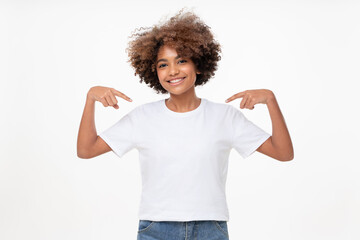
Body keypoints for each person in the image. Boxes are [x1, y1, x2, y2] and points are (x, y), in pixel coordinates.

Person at [77, 9, 294, 240]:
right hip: (155, 229)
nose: (173, 71)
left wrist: (271, 100)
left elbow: (283, 153)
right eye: (163, 64)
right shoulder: (142, 118)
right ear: (154, 71)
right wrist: (90, 99)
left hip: (210, 228)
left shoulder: (224, 117)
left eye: (181, 61)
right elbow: (86, 150)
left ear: (198, 65)